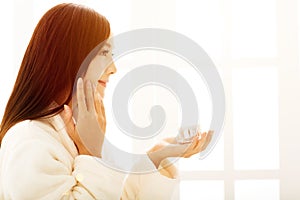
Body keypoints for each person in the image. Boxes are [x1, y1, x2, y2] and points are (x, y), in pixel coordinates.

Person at [0, 3, 213, 200]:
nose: (113, 68)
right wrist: (92, 151)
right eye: (104, 53)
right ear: (69, 54)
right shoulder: (28, 140)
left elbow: (116, 195)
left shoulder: (78, 131)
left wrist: (157, 157)